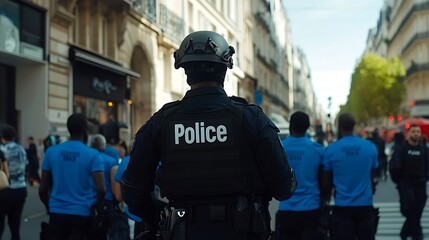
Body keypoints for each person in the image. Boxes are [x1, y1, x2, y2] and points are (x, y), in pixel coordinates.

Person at [121, 30, 296, 240]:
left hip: (182, 231)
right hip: (242, 231)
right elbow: (284, 188)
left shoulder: (161, 122)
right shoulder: (252, 119)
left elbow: (132, 190)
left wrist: (159, 219)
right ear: (226, 68)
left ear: (185, 70)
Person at [39, 113, 106, 240]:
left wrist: (49, 207)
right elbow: (101, 189)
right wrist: (96, 207)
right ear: (85, 130)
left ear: (68, 129)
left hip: (57, 213)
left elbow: (43, 189)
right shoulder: (93, 155)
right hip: (82, 214)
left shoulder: (51, 152)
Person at [321, 113, 379, 240]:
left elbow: (326, 182)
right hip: (365, 204)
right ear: (355, 126)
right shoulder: (370, 147)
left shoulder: (331, 150)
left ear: (340, 127)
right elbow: (374, 173)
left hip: (342, 206)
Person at [275, 111, 324, 240]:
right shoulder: (317, 149)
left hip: (286, 208)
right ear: (308, 127)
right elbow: (323, 179)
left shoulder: (280, 148)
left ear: (290, 125)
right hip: (311, 208)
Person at [390, 124, 429, 240]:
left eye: (418, 131)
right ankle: (417, 234)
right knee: (410, 208)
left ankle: (406, 232)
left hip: (421, 184)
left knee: (418, 211)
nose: (416, 134)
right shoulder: (401, 148)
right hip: (406, 184)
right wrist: (399, 181)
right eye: (413, 131)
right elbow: (394, 166)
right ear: (408, 134)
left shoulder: (424, 149)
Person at [90, 134, 130, 240]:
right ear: (103, 145)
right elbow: (115, 185)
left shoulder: (87, 158)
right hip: (107, 202)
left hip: (89, 201)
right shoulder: (111, 160)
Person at [0, 125, 28, 240]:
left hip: (5, 190)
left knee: (0, 224)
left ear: (2, 137)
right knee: (15, 226)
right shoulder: (21, 149)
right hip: (21, 189)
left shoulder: (2, 149)